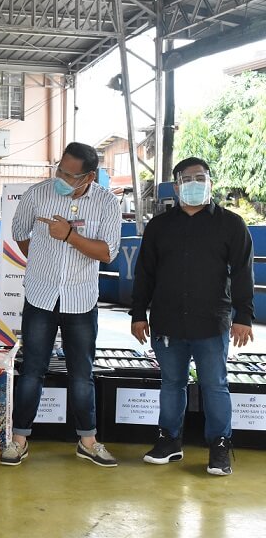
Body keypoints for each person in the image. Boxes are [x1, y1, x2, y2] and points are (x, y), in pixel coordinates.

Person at [131, 157, 254, 476]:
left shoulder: (231, 224)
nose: (196, 183)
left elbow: (243, 273)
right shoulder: (159, 226)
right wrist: (137, 314)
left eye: (202, 177)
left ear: (210, 182)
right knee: (172, 384)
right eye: (188, 178)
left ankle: (220, 446)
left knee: (215, 385)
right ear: (176, 186)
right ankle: (169, 441)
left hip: (211, 322)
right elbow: (144, 273)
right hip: (167, 321)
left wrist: (244, 316)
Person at [1, 141, 121, 468]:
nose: (61, 178)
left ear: (90, 177)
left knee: (82, 374)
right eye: (59, 170)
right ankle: (19, 440)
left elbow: (107, 252)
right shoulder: (38, 194)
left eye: (70, 175)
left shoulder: (107, 204)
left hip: (80, 300)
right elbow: (20, 232)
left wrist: (69, 236)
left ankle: (88, 440)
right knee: (32, 371)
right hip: (40, 296)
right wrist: (40, 261)